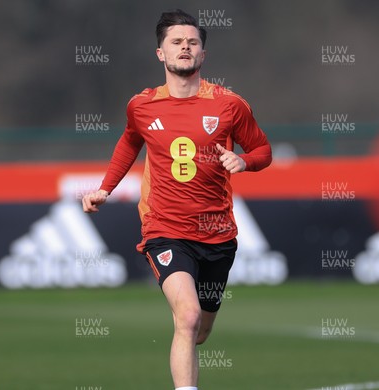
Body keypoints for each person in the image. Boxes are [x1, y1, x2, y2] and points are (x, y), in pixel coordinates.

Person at [82, 9, 272, 390]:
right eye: (176, 42)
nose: (185, 48)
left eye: (192, 43)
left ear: (202, 55)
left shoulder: (229, 104)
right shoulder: (142, 105)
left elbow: (263, 149)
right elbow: (128, 144)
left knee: (199, 330)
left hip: (218, 235)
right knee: (185, 318)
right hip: (165, 230)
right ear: (160, 54)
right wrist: (106, 187)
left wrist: (245, 161)